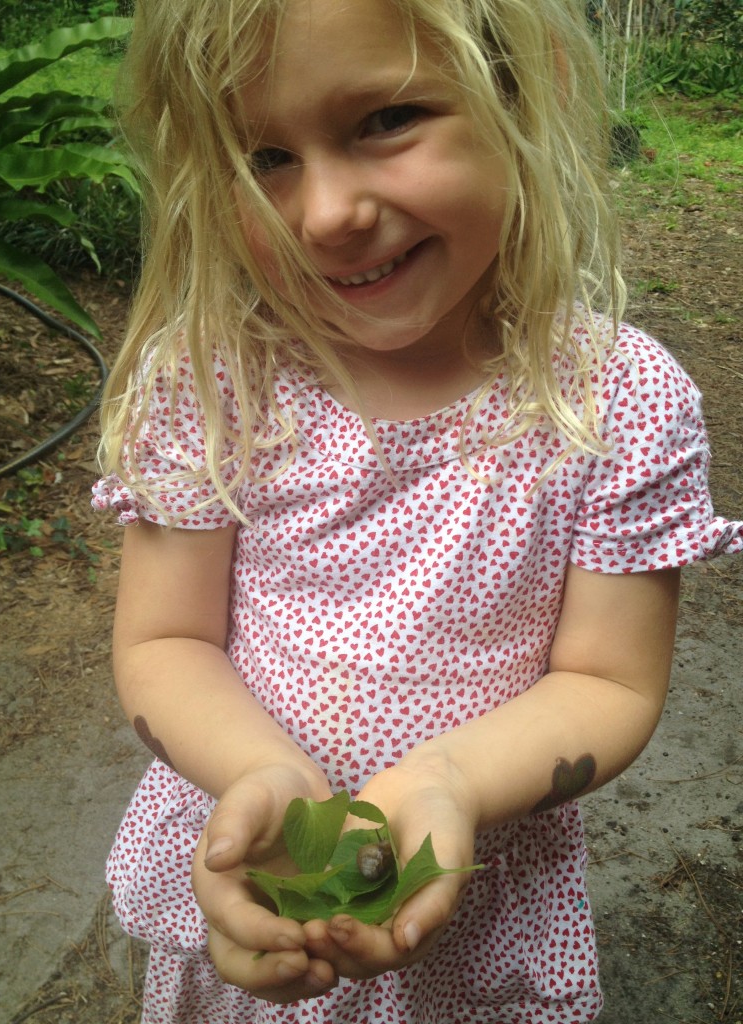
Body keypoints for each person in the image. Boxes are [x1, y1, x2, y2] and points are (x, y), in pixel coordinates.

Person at [92, 0, 742, 1021]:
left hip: (478, 912)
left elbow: (610, 680)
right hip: (257, 879)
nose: (325, 212)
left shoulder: (617, 401)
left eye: (384, 120)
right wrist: (262, 774)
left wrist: (453, 779)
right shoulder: (210, 382)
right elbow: (165, 638)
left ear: (531, 100)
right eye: (265, 154)